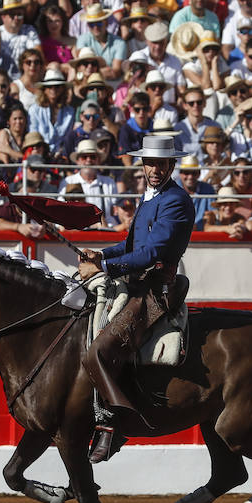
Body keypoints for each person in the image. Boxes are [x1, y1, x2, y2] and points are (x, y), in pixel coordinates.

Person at [76, 133, 195, 463]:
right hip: (137, 282)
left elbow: (153, 252)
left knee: (97, 352)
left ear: (171, 165)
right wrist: (99, 256)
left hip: (155, 290)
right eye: (150, 163)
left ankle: (112, 424)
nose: (154, 169)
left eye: (161, 163)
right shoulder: (151, 197)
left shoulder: (175, 200)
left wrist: (105, 269)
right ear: (142, 164)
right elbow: (131, 247)